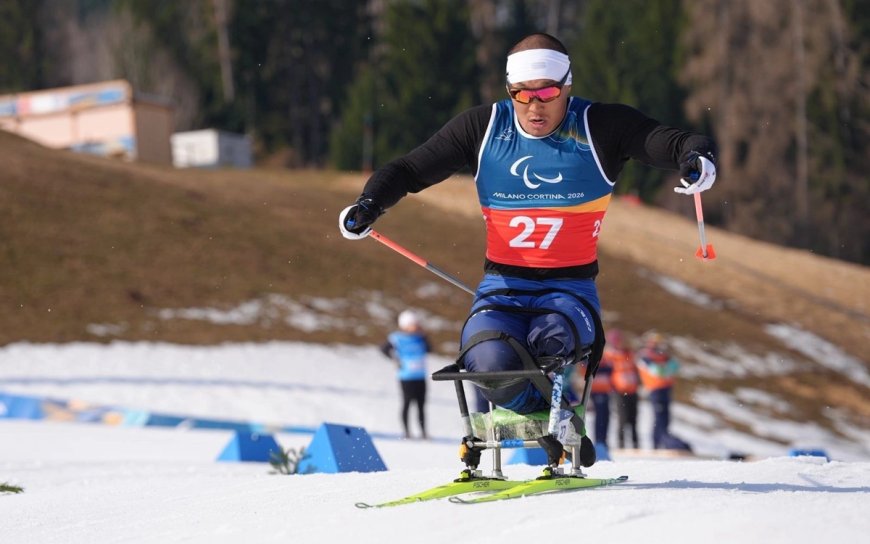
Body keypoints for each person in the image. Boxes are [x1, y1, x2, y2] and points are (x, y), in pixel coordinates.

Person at [340, 33, 717, 457]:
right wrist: (370, 202)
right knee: (487, 362)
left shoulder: (600, 126)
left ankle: (550, 422)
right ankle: (551, 422)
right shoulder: (483, 127)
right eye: (522, 94)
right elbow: (409, 169)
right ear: (509, 90)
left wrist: (696, 159)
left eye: (547, 93)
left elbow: (669, 141)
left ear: (567, 86)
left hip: (570, 291)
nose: (534, 106)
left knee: (547, 345)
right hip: (502, 288)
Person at [381, 310, 430, 439]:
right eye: (413, 324)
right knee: (407, 402)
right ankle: (407, 432)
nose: (416, 326)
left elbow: (429, 348)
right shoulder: (396, 338)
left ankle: (423, 432)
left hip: (420, 376)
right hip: (406, 376)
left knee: (421, 405)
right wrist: (395, 359)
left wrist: (423, 334)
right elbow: (384, 349)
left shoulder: (420, 337)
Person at [635, 331, 686, 450]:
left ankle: (664, 443)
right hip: (654, 390)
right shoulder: (644, 356)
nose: (657, 344)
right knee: (659, 418)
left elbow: (676, 365)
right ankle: (656, 445)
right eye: (655, 342)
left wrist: (665, 370)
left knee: (666, 418)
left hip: (666, 388)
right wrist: (666, 370)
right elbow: (657, 371)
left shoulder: (663, 355)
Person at [606, 329, 641, 449]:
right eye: (615, 341)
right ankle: (621, 444)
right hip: (620, 391)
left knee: (634, 419)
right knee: (622, 418)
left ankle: (636, 444)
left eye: (619, 341)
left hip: (633, 390)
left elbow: (637, 366)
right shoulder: (610, 355)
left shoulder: (629, 353)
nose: (618, 343)